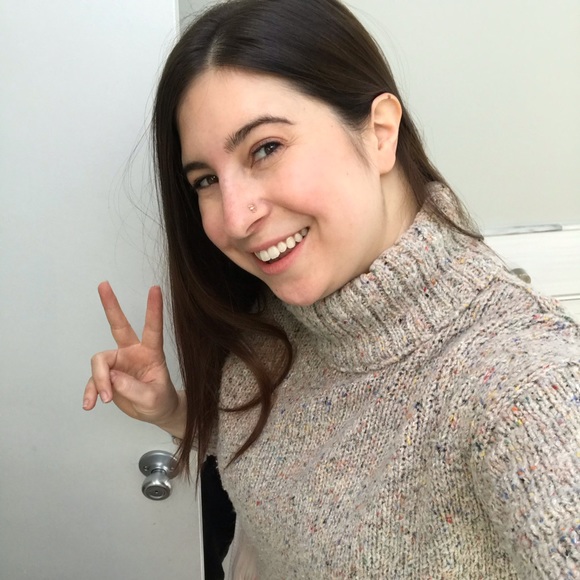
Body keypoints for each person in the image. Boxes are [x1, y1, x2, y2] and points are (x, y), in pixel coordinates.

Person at [83, 0, 580, 577]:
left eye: (265, 148)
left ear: (380, 132)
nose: (236, 218)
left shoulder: (530, 390)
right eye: (207, 180)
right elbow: (288, 449)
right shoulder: (283, 318)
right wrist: (175, 411)